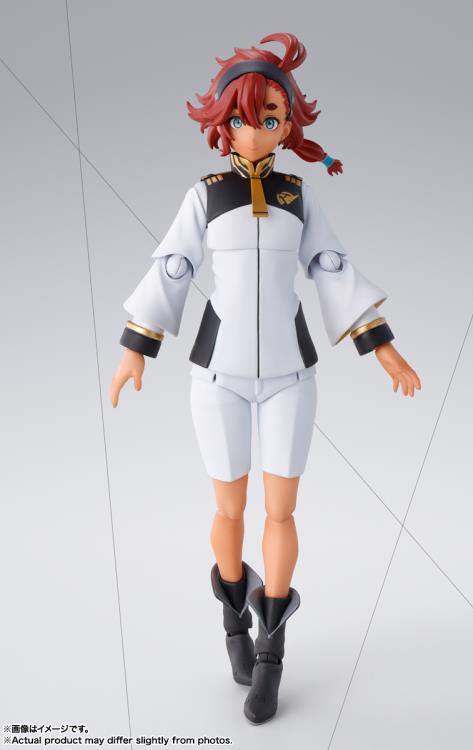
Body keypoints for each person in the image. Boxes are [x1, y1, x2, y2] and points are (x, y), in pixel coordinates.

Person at [109, 32, 421, 725]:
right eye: (245, 116)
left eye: (271, 116)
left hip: (289, 376)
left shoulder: (299, 197)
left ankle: (272, 652)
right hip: (217, 375)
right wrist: (137, 346)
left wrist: (382, 349)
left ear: (288, 125)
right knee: (229, 511)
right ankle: (233, 625)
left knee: (281, 512)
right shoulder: (206, 196)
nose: (257, 129)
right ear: (222, 122)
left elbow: (332, 269)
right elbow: (172, 267)